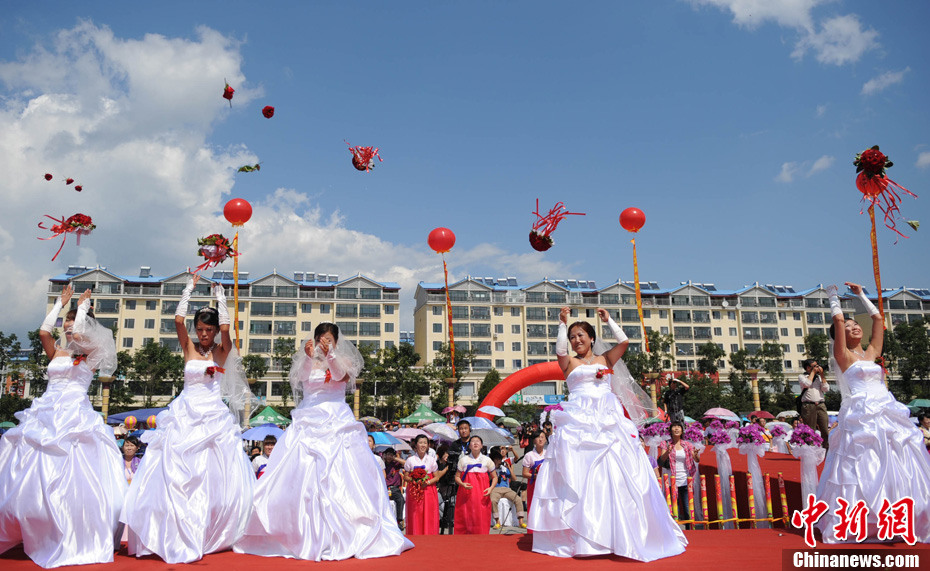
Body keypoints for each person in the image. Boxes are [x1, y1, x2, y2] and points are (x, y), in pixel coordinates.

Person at [234, 323, 412, 560]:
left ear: (336, 341)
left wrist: (331, 355)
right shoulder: (308, 360)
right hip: (309, 417)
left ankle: (345, 531)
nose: (324, 343)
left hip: (337, 417)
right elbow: (299, 381)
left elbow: (342, 376)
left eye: (328, 339)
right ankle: (300, 531)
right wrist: (309, 359)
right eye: (320, 339)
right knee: (301, 474)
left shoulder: (343, 360)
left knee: (343, 477)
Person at [529, 307, 687, 561]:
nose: (576, 340)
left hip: (607, 417)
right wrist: (562, 324)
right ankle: (581, 537)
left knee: (613, 474)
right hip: (578, 419)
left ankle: (617, 533)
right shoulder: (569, 363)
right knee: (577, 475)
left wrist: (609, 321)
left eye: (580, 335)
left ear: (591, 338)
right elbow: (559, 351)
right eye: (572, 337)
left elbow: (624, 342)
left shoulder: (606, 359)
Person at [121, 277, 254, 563]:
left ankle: (210, 527)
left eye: (209, 330)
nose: (204, 334)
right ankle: (171, 526)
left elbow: (228, 333)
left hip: (212, 417)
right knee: (175, 470)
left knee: (213, 474)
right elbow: (178, 320)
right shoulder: (189, 348)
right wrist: (189, 289)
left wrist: (222, 300)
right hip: (185, 412)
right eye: (201, 329)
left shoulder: (220, 351)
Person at [0, 286, 124, 568]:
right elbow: (44, 333)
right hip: (46, 412)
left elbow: (82, 336)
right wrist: (60, 304)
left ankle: (69, 526)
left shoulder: (91, 355)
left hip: (74, 416)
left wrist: (81, 310)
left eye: (72, 325)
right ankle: (33, 524)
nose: (69, 330)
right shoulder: (55, 353)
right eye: (66, 326)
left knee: (72, 476)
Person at [815, 283, 930, 544]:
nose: (855, 327)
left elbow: (878, 319)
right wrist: (833, 296)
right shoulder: (842, 355)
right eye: (848, 326)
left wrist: (860, 295)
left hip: (885, 408)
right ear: (839, 335)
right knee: (864, 463)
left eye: (857, 325)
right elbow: (838, 317)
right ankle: (865, 518)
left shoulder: (870, 353)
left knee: (897, 459)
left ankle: (899, 515)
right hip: (861, 413)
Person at [657, 421, 700, 529]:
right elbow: (661, 460)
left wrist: (695, 455)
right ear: (671, 430)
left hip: (686, 479)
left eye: (678, 427)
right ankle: (674, 531)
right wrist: (668, 451)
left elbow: (697, 460)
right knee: (673, 507)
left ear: (682, 431)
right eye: (674, 427)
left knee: (687, 507)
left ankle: (690, 529)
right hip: (672, 480)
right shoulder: (665, 444)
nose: (676, 429)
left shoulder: (687, 444)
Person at [403, 434, 447, 535]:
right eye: (420, 443)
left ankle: (429, 534)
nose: (423, 445)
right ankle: (415, 534)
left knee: (429, 513)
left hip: (428, 490)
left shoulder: (431, 460)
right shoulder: (410, 460)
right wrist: (415, 481)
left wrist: (427, 482)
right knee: (415, 513)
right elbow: (406, 477)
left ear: (428, 446)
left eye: (425, 443)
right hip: (414, 491)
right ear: (416, 445)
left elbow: (436, 477)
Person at [454, 435, 497, 534]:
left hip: (482, 494)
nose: (475, 443)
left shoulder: (487, 460)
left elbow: (495, 477)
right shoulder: (463, 460)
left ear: (482, 445)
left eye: (478, 441)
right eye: (473, 441)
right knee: (466, 516)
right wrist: (463, 484)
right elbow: (457, 477)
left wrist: (490, 488)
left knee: (480, 516)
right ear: (469, 446)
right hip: (466, 494)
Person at [489, 450, 526, 529]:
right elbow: (487, 480)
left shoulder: (504, 469)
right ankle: (497, 521)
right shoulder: (489, 469)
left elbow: (514, 478)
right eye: (497, 460)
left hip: (506, 489)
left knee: (518, 499)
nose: (499, 461)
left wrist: (509, 468)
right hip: (495, 489)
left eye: (500, 459)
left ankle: (521, 521)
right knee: (493, 500)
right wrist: (494, 470)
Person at [799, 359, 830, 448]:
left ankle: (826, 450)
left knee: (824, 429)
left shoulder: (819, 377)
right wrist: (812, 373)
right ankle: (810, 450)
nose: (817, 368)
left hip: (821, 404)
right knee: (810, 430)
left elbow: (826, 389)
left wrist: (822, 375)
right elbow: (807, 384)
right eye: (814, 366)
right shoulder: (802, 376)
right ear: (808, 367)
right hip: (809, 405)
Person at [521, 430, 547, 513]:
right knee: (534, 507)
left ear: (546, 440)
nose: (540, 439)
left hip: (546, 485)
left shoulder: (549, 454)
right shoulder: (529, 455)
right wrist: (536, 476)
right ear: (534, 440)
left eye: (542, 437)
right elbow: (524, 473)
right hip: (534, 485)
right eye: (538, 437)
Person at [382, 448, 406, 529]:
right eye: (387, 454)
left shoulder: (396, 464)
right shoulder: (382, 464)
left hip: (395, 488)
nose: (389, 457)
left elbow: (406, 463)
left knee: (401, 500)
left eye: (391, 455)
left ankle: (399, 521)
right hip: (384, 488)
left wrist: (395, 458)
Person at [435, 444, 457, 534]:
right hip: (440, 489)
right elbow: (438, 476)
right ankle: (442, 521)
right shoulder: (437, 464)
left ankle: (449, 521)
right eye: (445, 456)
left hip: (452, 490)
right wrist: (446, 468)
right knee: (436, 503)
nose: (447, 458)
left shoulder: (453, 465)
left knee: (452, 504)